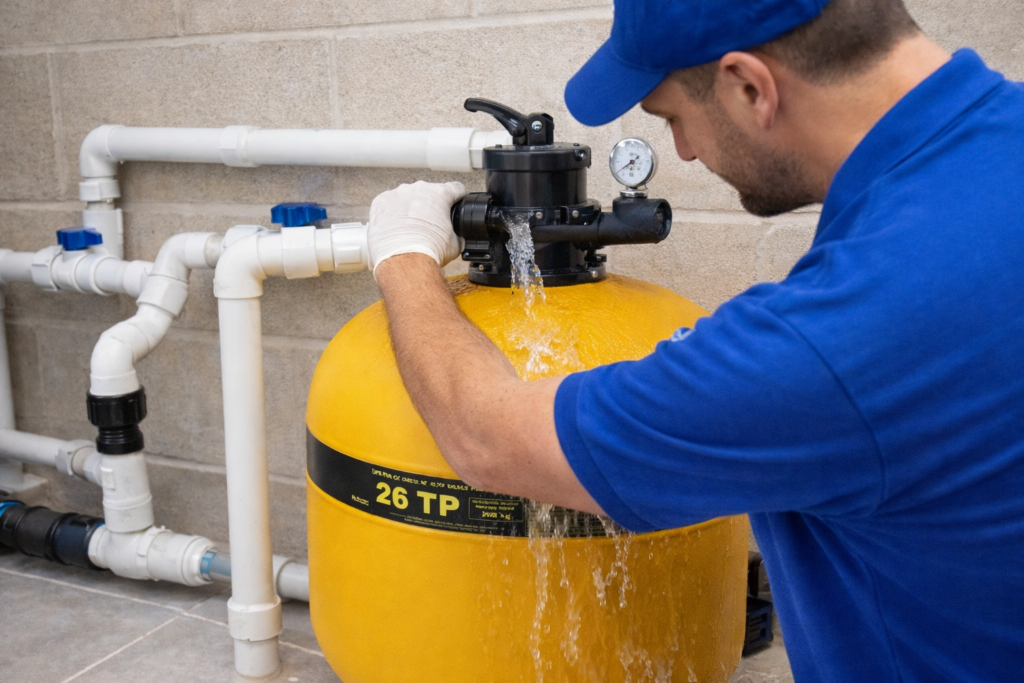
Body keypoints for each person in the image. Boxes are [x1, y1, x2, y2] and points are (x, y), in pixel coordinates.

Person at [367, 0, 1024, 680]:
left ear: (749, 86)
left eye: (672, 116)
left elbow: (488, 439)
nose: (682, 148)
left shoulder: (836, 338)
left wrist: (405, 256)